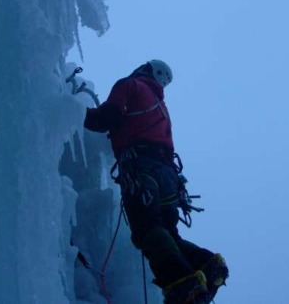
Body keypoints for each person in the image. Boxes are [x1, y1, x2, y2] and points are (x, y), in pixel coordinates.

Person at [84, 60, 229, 303]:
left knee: (147, 230)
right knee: (169, 234)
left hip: (141, 169)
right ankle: (208, 263)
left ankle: (183, 285)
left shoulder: (130, 85)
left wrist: (72, 111)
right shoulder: (160, 106)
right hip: (168, 178)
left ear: (144, 70)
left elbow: (108, 116)